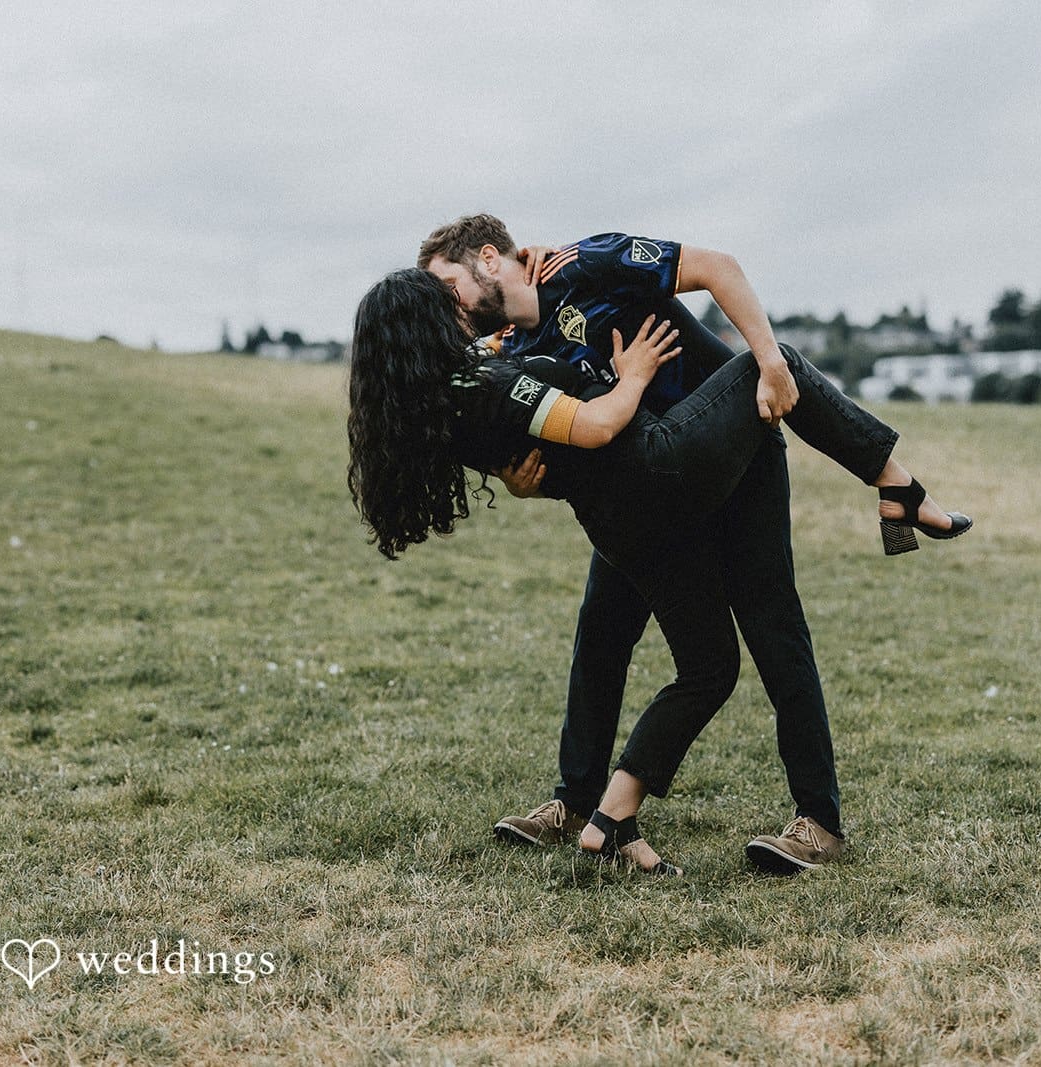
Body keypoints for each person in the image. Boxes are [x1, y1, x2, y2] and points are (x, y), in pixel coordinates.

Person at [414, 215, 970, 875]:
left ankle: (818, 821)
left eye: (448, 285)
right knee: (602, 630)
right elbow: (552, 442)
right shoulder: (506, 349)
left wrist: (767, 362)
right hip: (646, 491)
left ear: (487, 258)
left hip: (734, 458)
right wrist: (521, 482)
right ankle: (576, 802)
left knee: (773, 626)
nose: (447, 308)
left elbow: (718, 268)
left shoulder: (588, 263)